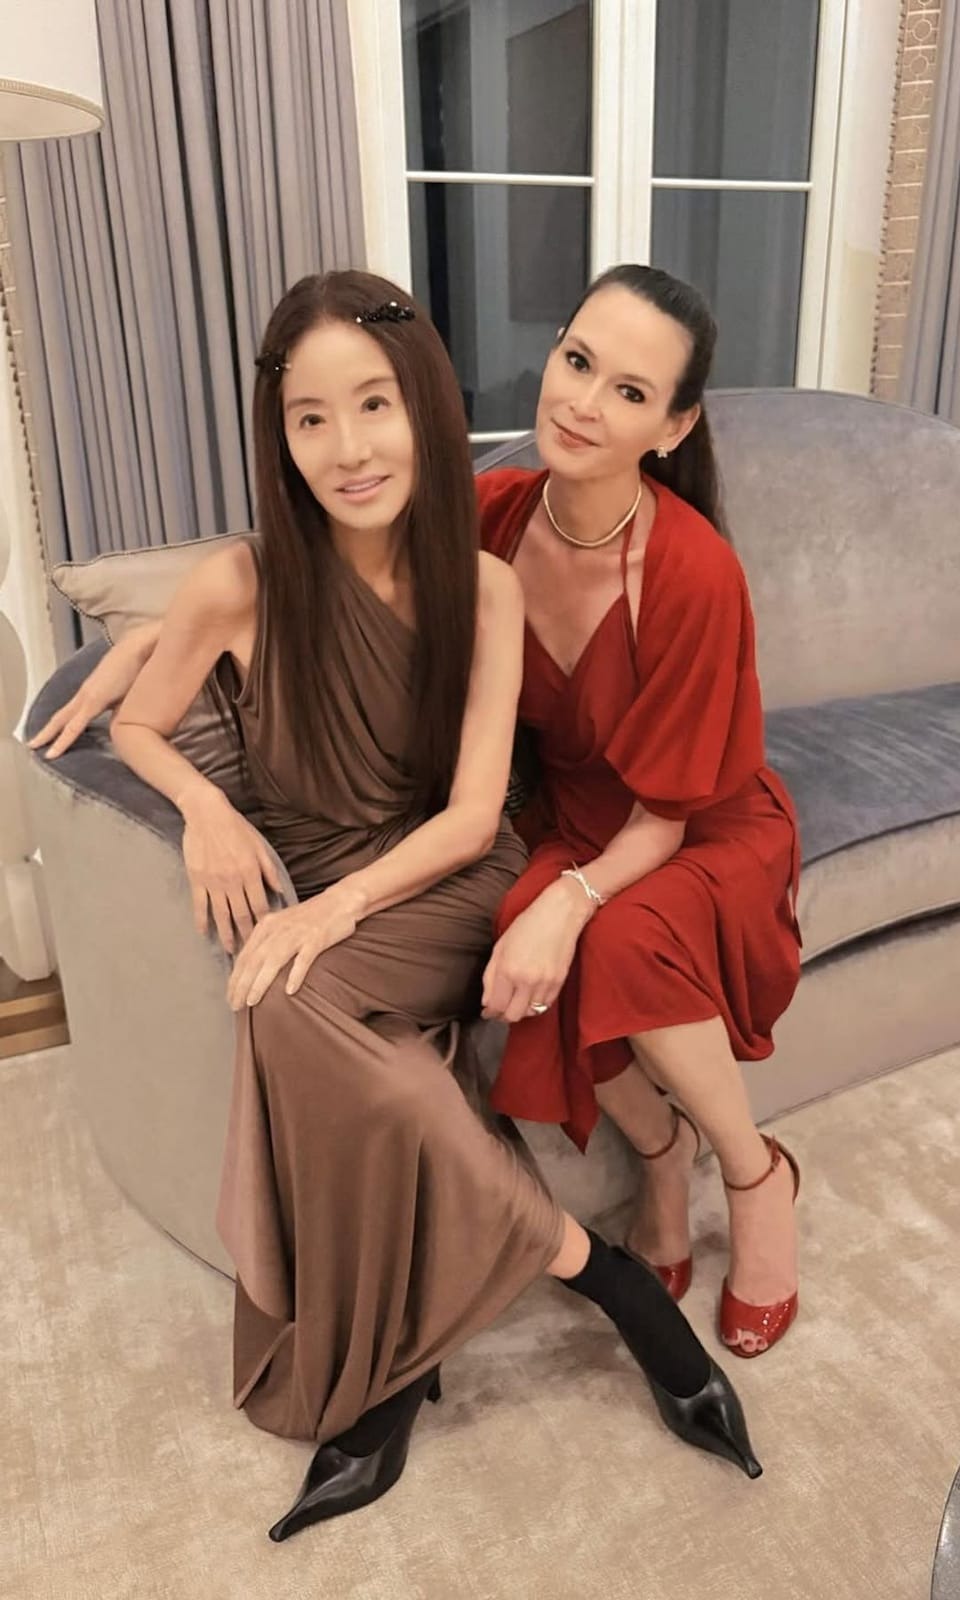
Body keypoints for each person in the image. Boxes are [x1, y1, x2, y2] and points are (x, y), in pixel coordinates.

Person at [36, 270, 760, 1542]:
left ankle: (405, 1378)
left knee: (285, 993)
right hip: (333, 874)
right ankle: (600, 1282)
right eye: (310, 418)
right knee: (308, 1013)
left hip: (448, 876)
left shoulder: (482, 580)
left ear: (425, 406)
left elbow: (477, 817)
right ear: (277, 435)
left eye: (375, 405)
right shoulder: (237, 581)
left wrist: (330, 913)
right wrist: (204, 806)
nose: (348, 447)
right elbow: (142, 728)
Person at [477, 265, 802, 1359]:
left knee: (604, 936)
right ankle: (663, 1160)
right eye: (577, 361)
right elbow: (324, 562)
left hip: (701, 823)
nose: (581, 403)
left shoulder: (694, 571)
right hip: (578, 818)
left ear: (672, 426)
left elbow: (664, 818)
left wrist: (569, 898)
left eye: (628, 391)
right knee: (523, 926)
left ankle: (754, 1174)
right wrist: (164, 637)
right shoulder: (491, 519)